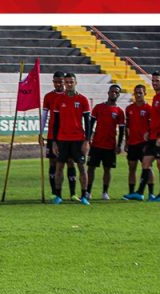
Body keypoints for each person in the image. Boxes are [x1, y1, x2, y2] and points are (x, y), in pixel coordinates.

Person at [125, 72, 160, 202]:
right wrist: (149, 132)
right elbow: (157, 119)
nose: (155, 83)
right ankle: (139, 193)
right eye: (153, 81)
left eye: (157, 81)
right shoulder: (156, 97)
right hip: (152, 137)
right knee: (146, 163)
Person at [51, 72, 92, 205]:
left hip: (78, 139)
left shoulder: (83, 100)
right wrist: (55, 142)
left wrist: (87, 141)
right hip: (62, 139)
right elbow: (55, 123)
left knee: (81, 167)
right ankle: (58, 195)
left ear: (75, 83)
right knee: (59, 167)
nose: (69, 84)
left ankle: (84, 195)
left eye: (71, 82)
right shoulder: (59, 100)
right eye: (66, 82)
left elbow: (88, 122)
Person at [39, 71, 77, 199]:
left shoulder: (72, 96)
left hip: (68, 136)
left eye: (60, 81)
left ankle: (73, 193)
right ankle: (55, 193)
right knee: (53, 163)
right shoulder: (48, 97)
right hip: (52, 136)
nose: (58, 84)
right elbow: (44, 116)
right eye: (55, 81)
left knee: (70, 162)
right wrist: (40, 132)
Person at [86, 84, 125, 200]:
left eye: (116, 92)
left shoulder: (119, 111)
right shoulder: (98, 107)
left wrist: (119, 145)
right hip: (96, 144)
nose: (114, 93)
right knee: (91, 168)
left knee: (107, 169)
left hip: (110, 145)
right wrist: (88, 140)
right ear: (108, 93)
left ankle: (105, 192)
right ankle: (88, 192)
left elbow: (122, 129)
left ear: (118, 95)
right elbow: (91, 124)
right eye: (112, 91)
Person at [122, 85, 154, 200]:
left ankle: (151, 193)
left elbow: (152, 127)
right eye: (136, 93)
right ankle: (131, 192)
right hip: (132, 143)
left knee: (148, 167)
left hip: (144, 143)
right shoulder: (129, 109)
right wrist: (126, 142)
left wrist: (149, 143)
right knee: (132, 168)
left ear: (145, 93)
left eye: (140, 92)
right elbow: (128, 126)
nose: (138, 94)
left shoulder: (149, 109)